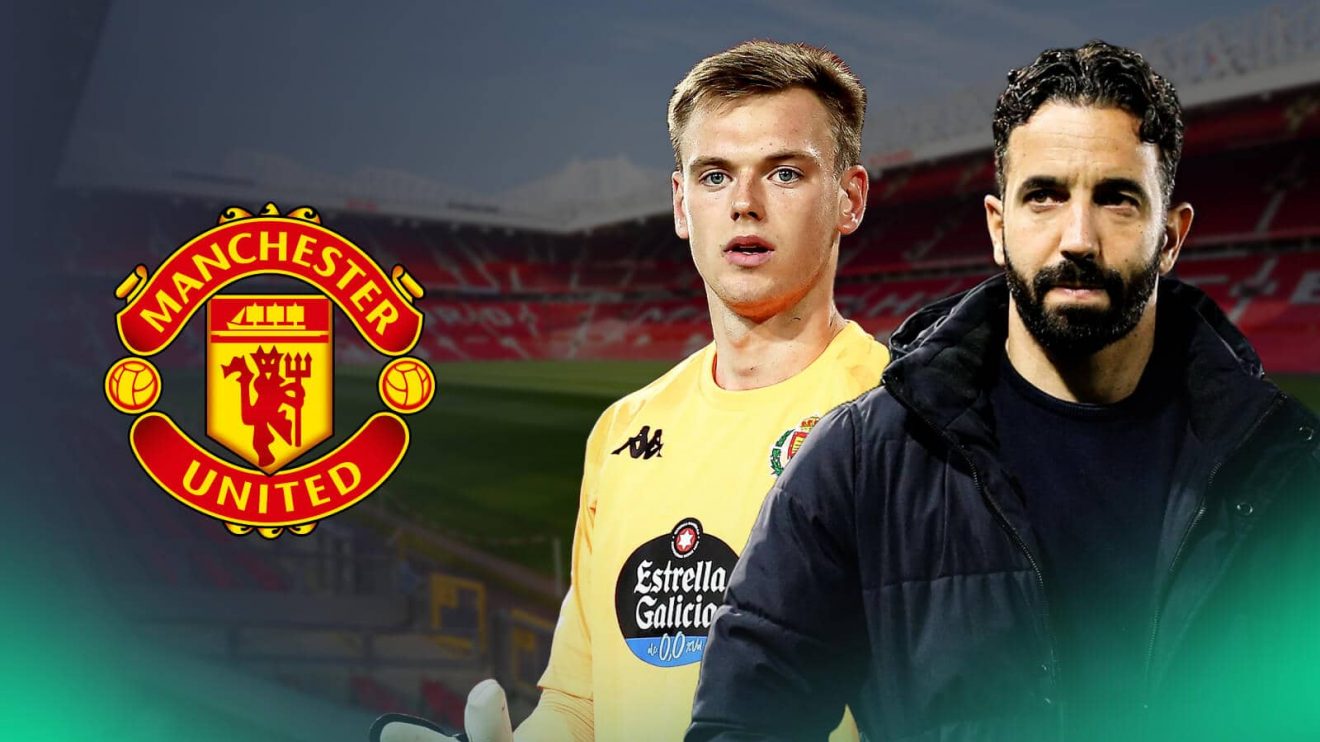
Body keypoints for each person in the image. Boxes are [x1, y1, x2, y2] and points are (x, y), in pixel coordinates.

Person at [688, 40, 1320, 741]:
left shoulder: (1288, 468)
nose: (1077, 238)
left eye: (1116, 198)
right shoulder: (860, 463)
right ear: (997, 226)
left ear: (1171, 237)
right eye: (1044, 196)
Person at [373, 40, 887, 742]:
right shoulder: (624, 430)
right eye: (715, 176)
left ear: (849, 199)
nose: (744, 204)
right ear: (681, 205)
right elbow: (579, 705)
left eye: (785, 173)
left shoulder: (904, 419)